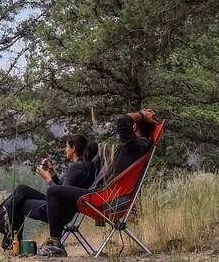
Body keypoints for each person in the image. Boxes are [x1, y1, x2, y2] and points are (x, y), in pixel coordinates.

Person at [35, 108, 161, 258]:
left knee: (53, 192)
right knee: (57, 192)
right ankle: (54, 243)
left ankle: (55, 245)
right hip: (111, 197)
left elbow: (122, 120)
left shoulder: (136, 146)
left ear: (134, 127)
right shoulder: (140, 147)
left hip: (107, 199)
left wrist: (141, 115)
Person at [0, 134, 99, 251]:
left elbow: (61, 193)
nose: (65, 149)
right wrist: (53, 175)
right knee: (21, 190)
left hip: (58, 212)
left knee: (19, 203)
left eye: (66, 146)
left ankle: (8, 238)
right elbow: (63, 189)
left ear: (73, 148)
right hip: (63, 207)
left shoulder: (75, 167)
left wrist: (48, 179)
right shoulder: (83, 166)